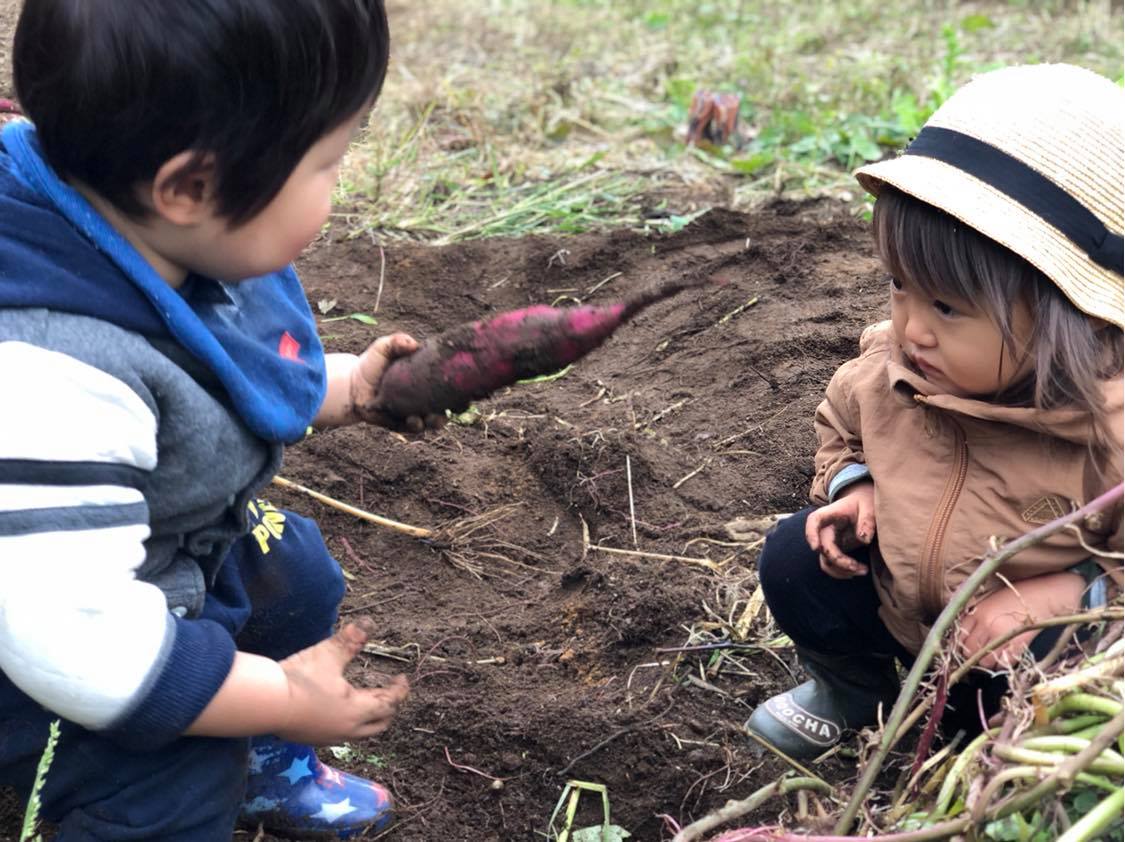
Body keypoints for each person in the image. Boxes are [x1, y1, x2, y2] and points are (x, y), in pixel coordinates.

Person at [0, 1, 422, 838]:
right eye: (329, 162)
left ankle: (259, 760)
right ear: (191, 186)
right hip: (39, 633)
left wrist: (347, 389)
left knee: (293, 572)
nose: (338, 186)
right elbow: (81, 652)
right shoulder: (50, 377)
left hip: (127, 552)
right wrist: (287, 698)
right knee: (165, 789)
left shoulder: (133, 228)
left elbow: (217, 380)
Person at [745, 63, 1124, 761]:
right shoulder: (891, 370)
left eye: (946, 307)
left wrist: (1072, 591)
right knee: (792, 556)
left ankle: (985, 745)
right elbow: (839, 422)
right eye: (897, 286)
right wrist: (851, 485)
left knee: (1029, 676)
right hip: (897, 605)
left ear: (1072, 318)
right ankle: (851, 689)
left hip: (1008, 656)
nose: (910, 328)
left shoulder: (1108, 433)